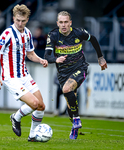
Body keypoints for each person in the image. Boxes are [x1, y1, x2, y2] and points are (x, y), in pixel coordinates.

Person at [44, 11, 107, 139]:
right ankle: (75, 126)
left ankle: (77, 119)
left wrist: (100, 57)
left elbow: (93, 39)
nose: (63, 25)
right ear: (57, 23)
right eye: (61, 22)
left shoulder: (79, 33)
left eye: (66, 22)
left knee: (66, 89)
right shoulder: (53, 35)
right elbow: (47, 56)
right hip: (63, 73)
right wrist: (56, 59)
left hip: (80, 68)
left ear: (70, 23)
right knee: (70, 108)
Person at [0, 4, 48, 142]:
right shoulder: (7, 34)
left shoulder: (27, 33)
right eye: (17, 20)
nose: (20, 23)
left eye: (23, 21)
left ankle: (32, 135)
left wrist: (40, 60)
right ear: (13, 18)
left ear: (27, 19)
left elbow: (30, 54)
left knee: (41, 106)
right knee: (34, 103)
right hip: (11, 77)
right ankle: (16, 117)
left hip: (24, 75)